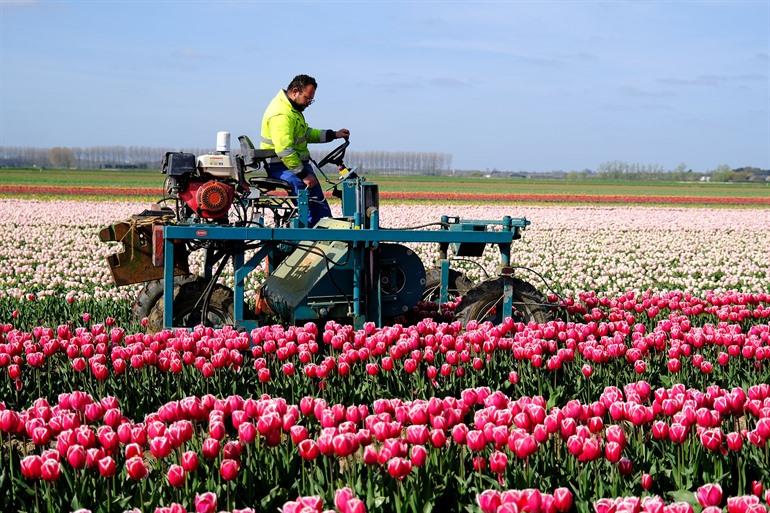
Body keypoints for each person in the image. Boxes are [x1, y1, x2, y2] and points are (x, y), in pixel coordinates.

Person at [260, 74, 350, 226]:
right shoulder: (282, 114)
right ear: (295, 91)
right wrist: (303, 174)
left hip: (293, 165)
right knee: (307, 202)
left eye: (311, 100)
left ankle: (324, 231)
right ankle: (309, 237)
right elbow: (284, 150)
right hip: (282, 166)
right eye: (307, 98)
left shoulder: (292, 110)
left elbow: (306, 133)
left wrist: (333, 134)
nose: (309, 103)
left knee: (319, 206)